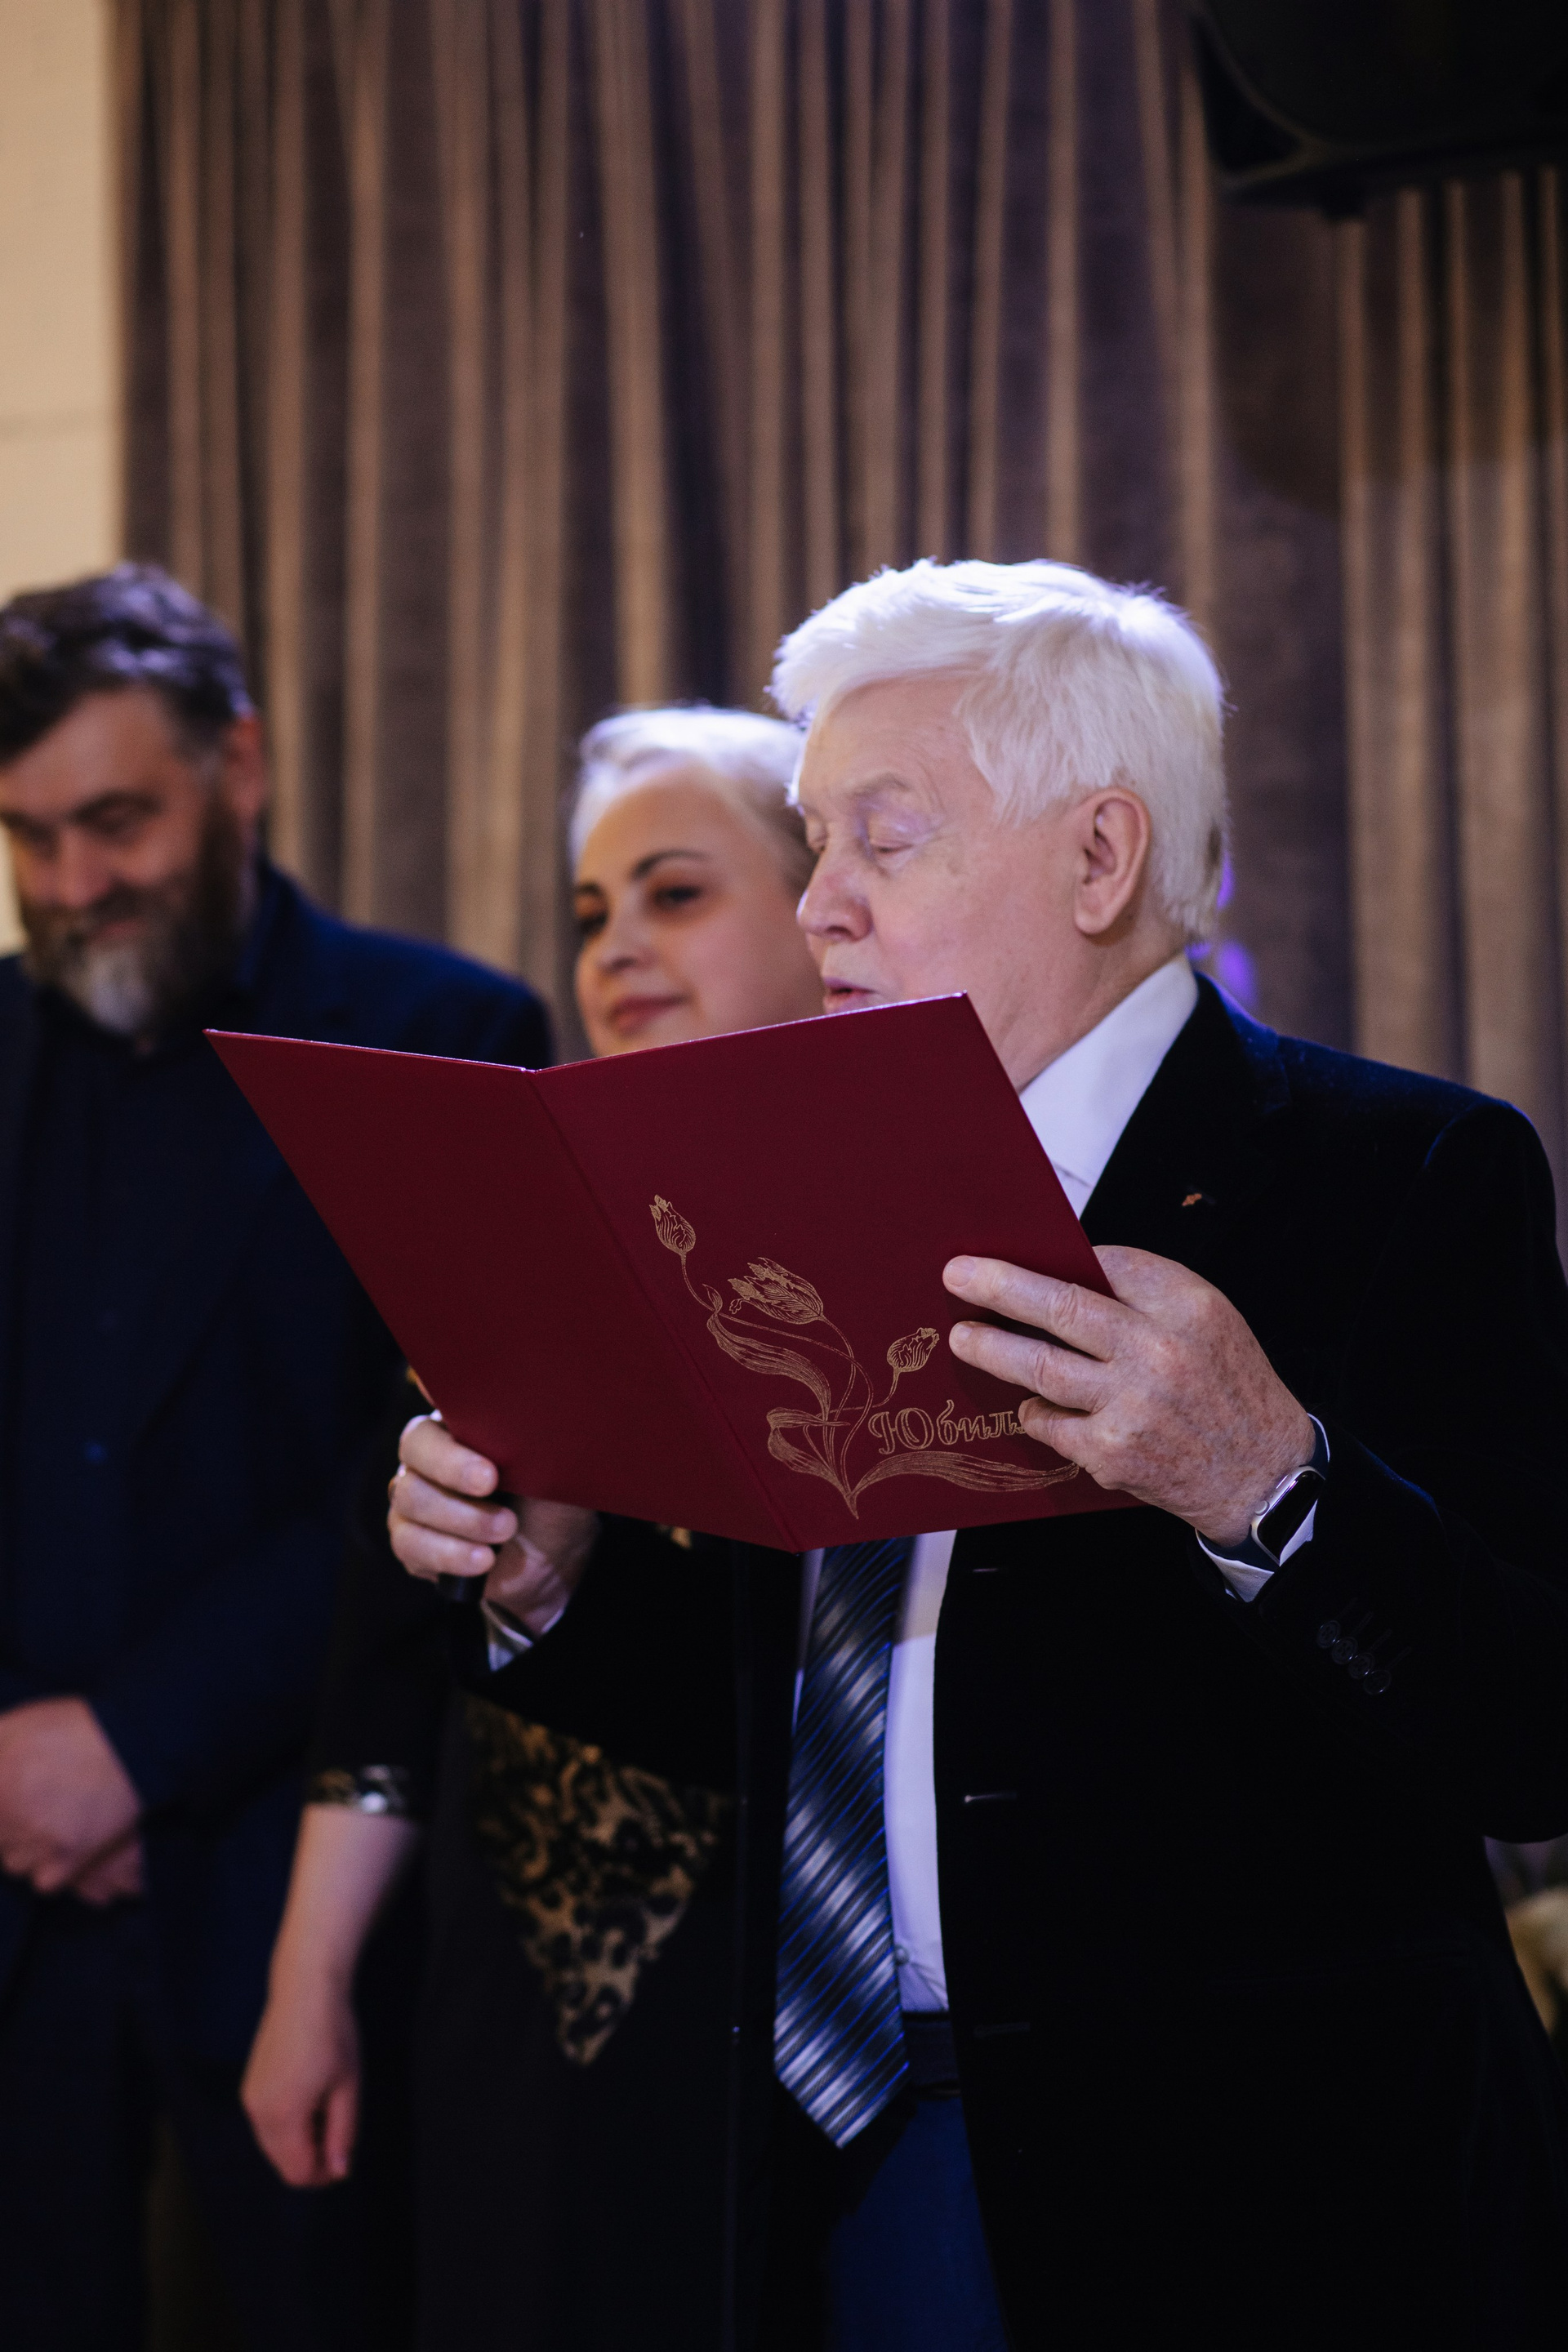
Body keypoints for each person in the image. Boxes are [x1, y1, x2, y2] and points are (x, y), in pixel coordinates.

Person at [390, 558, 1568, 2350]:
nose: (822, 906)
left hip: (1267, 2196)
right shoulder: (787, 1185)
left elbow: (1530, 1730)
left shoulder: (1401, 1172)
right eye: (814, 845)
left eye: (884, 838)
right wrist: (549, 1589)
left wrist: (1271, 1486)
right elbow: (796, 1732)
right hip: (836, 2167)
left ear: (1099, 860)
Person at [0, 564, 550, 2352]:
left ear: (238, 765)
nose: (72, 885)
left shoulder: (445, 1035)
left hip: (296, 1882)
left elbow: (424, 1471)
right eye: (27, 838)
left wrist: (128, 1747)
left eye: (117, 822)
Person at [243, 706, 823, 2349]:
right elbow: (383, 1660)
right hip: (500, 1977)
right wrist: (308, 1982)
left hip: (770, 1993)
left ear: (822, 911)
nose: (617, 946)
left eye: (675, 893)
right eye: (590, 912)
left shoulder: (864, 1249)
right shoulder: (503, 1220)